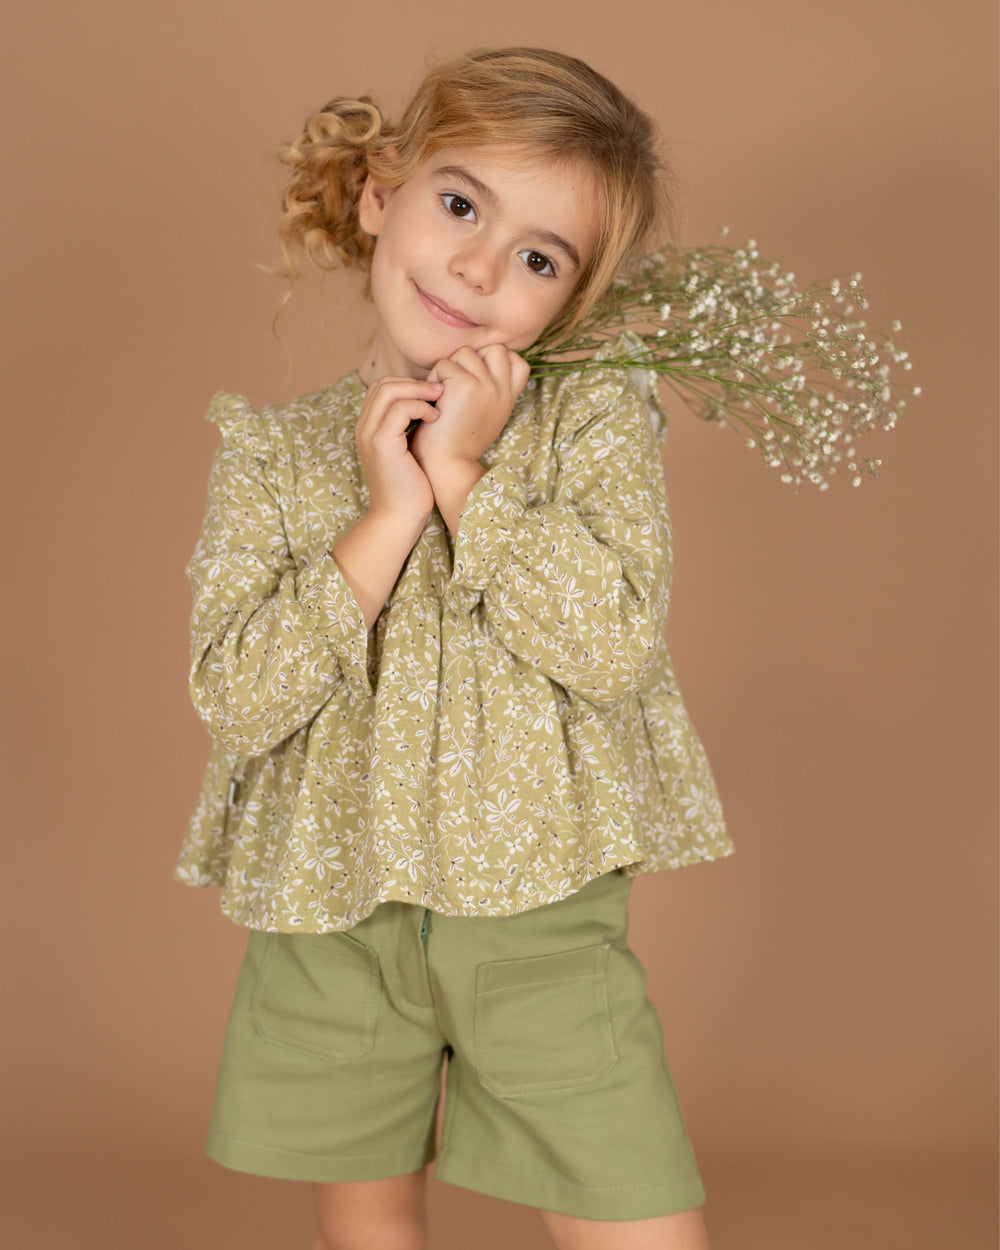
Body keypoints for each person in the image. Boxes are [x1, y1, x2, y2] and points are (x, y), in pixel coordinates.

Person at [176, 46, 734, 1250]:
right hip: (331, 905)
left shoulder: (590, 417)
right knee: (368, 1207)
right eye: (461, 205)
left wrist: (465, 472)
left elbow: (611, 645)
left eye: (537, 258)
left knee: (627, 1196)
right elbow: (239, 695)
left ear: (567, 303)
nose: (480, 268)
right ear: (382, 194)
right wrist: (388, 515)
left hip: (539, 909)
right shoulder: (273, 453)